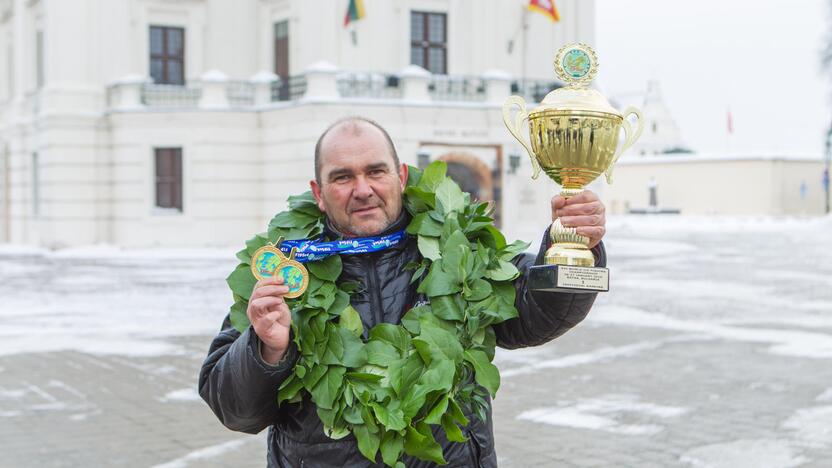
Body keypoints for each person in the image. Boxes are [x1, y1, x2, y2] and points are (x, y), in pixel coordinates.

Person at [199, 116, 607, 467]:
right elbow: (235, 409)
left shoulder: (461, 247)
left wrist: (570, 250)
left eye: (375, 171)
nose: (362, 189)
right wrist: (267, 350)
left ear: (401, 176)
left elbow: (536, 314)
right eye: (342, 177)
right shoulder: (284, 269)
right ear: (319, 193)